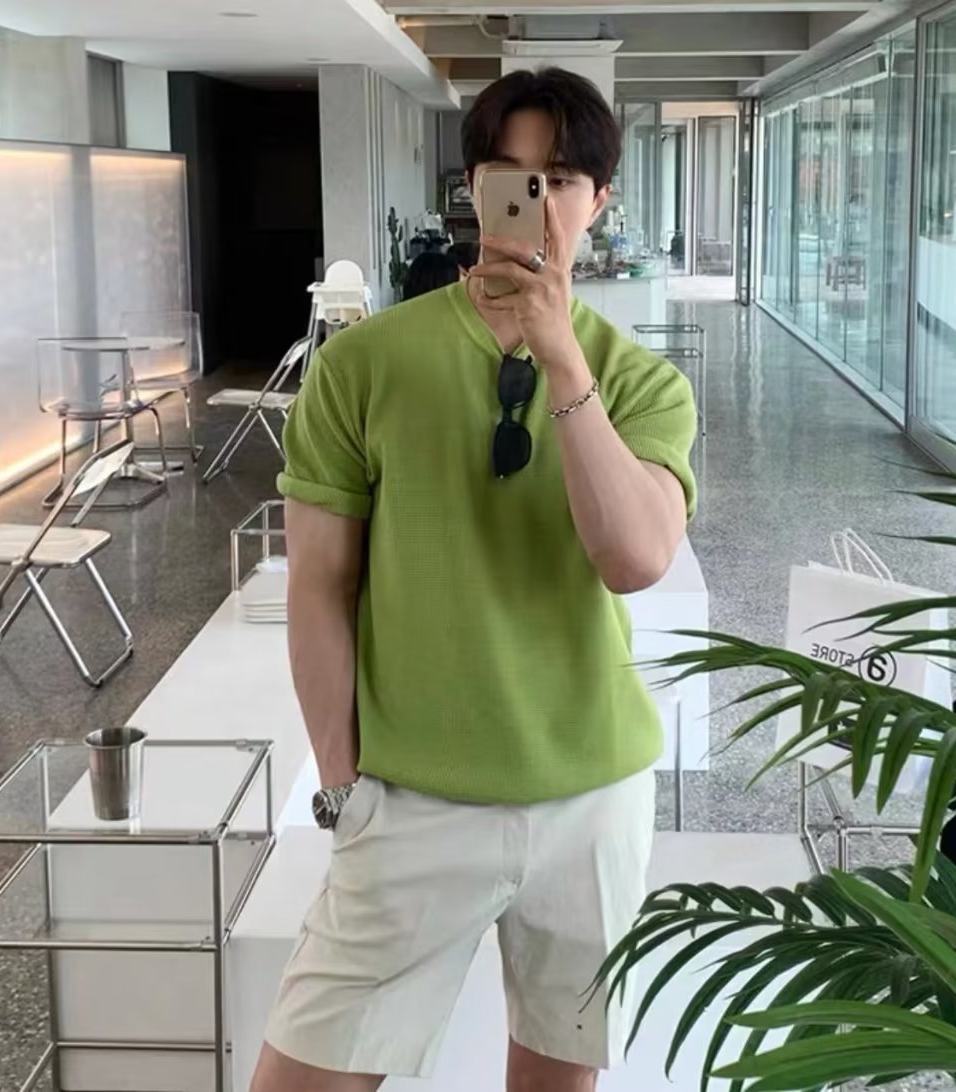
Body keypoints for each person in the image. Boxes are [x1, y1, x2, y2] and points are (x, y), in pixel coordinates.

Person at [250, 66, 697, 1092]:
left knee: (556, 1078)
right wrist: (341, 784)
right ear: (472, 189)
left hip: (590, 793)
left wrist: (563, 362)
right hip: (409, 797)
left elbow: (634, 558)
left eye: (561, 179)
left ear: (600, 199)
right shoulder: (362, 365)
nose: (537, 201)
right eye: (510, 175)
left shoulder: (642, 383)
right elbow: (319, 584)